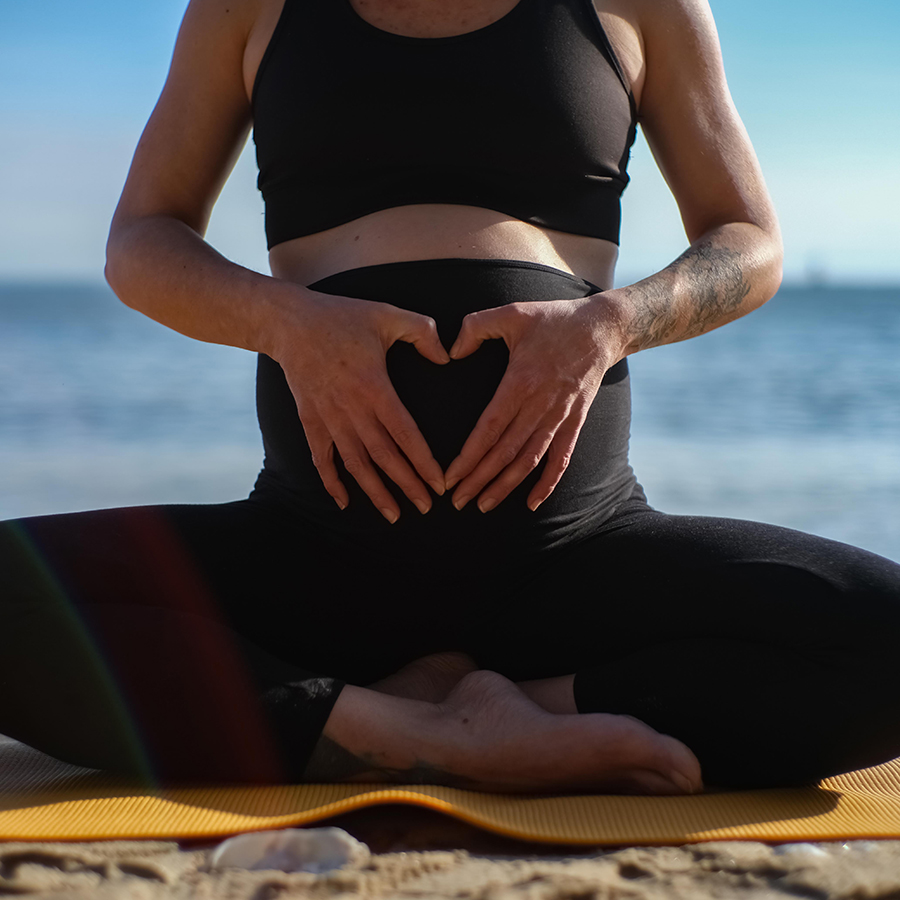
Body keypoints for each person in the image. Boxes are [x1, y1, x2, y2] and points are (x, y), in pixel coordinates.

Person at [3, 0, 900, 794]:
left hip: (574, 560)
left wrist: (611, 323)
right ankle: (391, 728)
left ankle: (527, 711)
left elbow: (749, 241)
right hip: (313, 557)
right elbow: (142, 239)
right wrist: (283, 320)